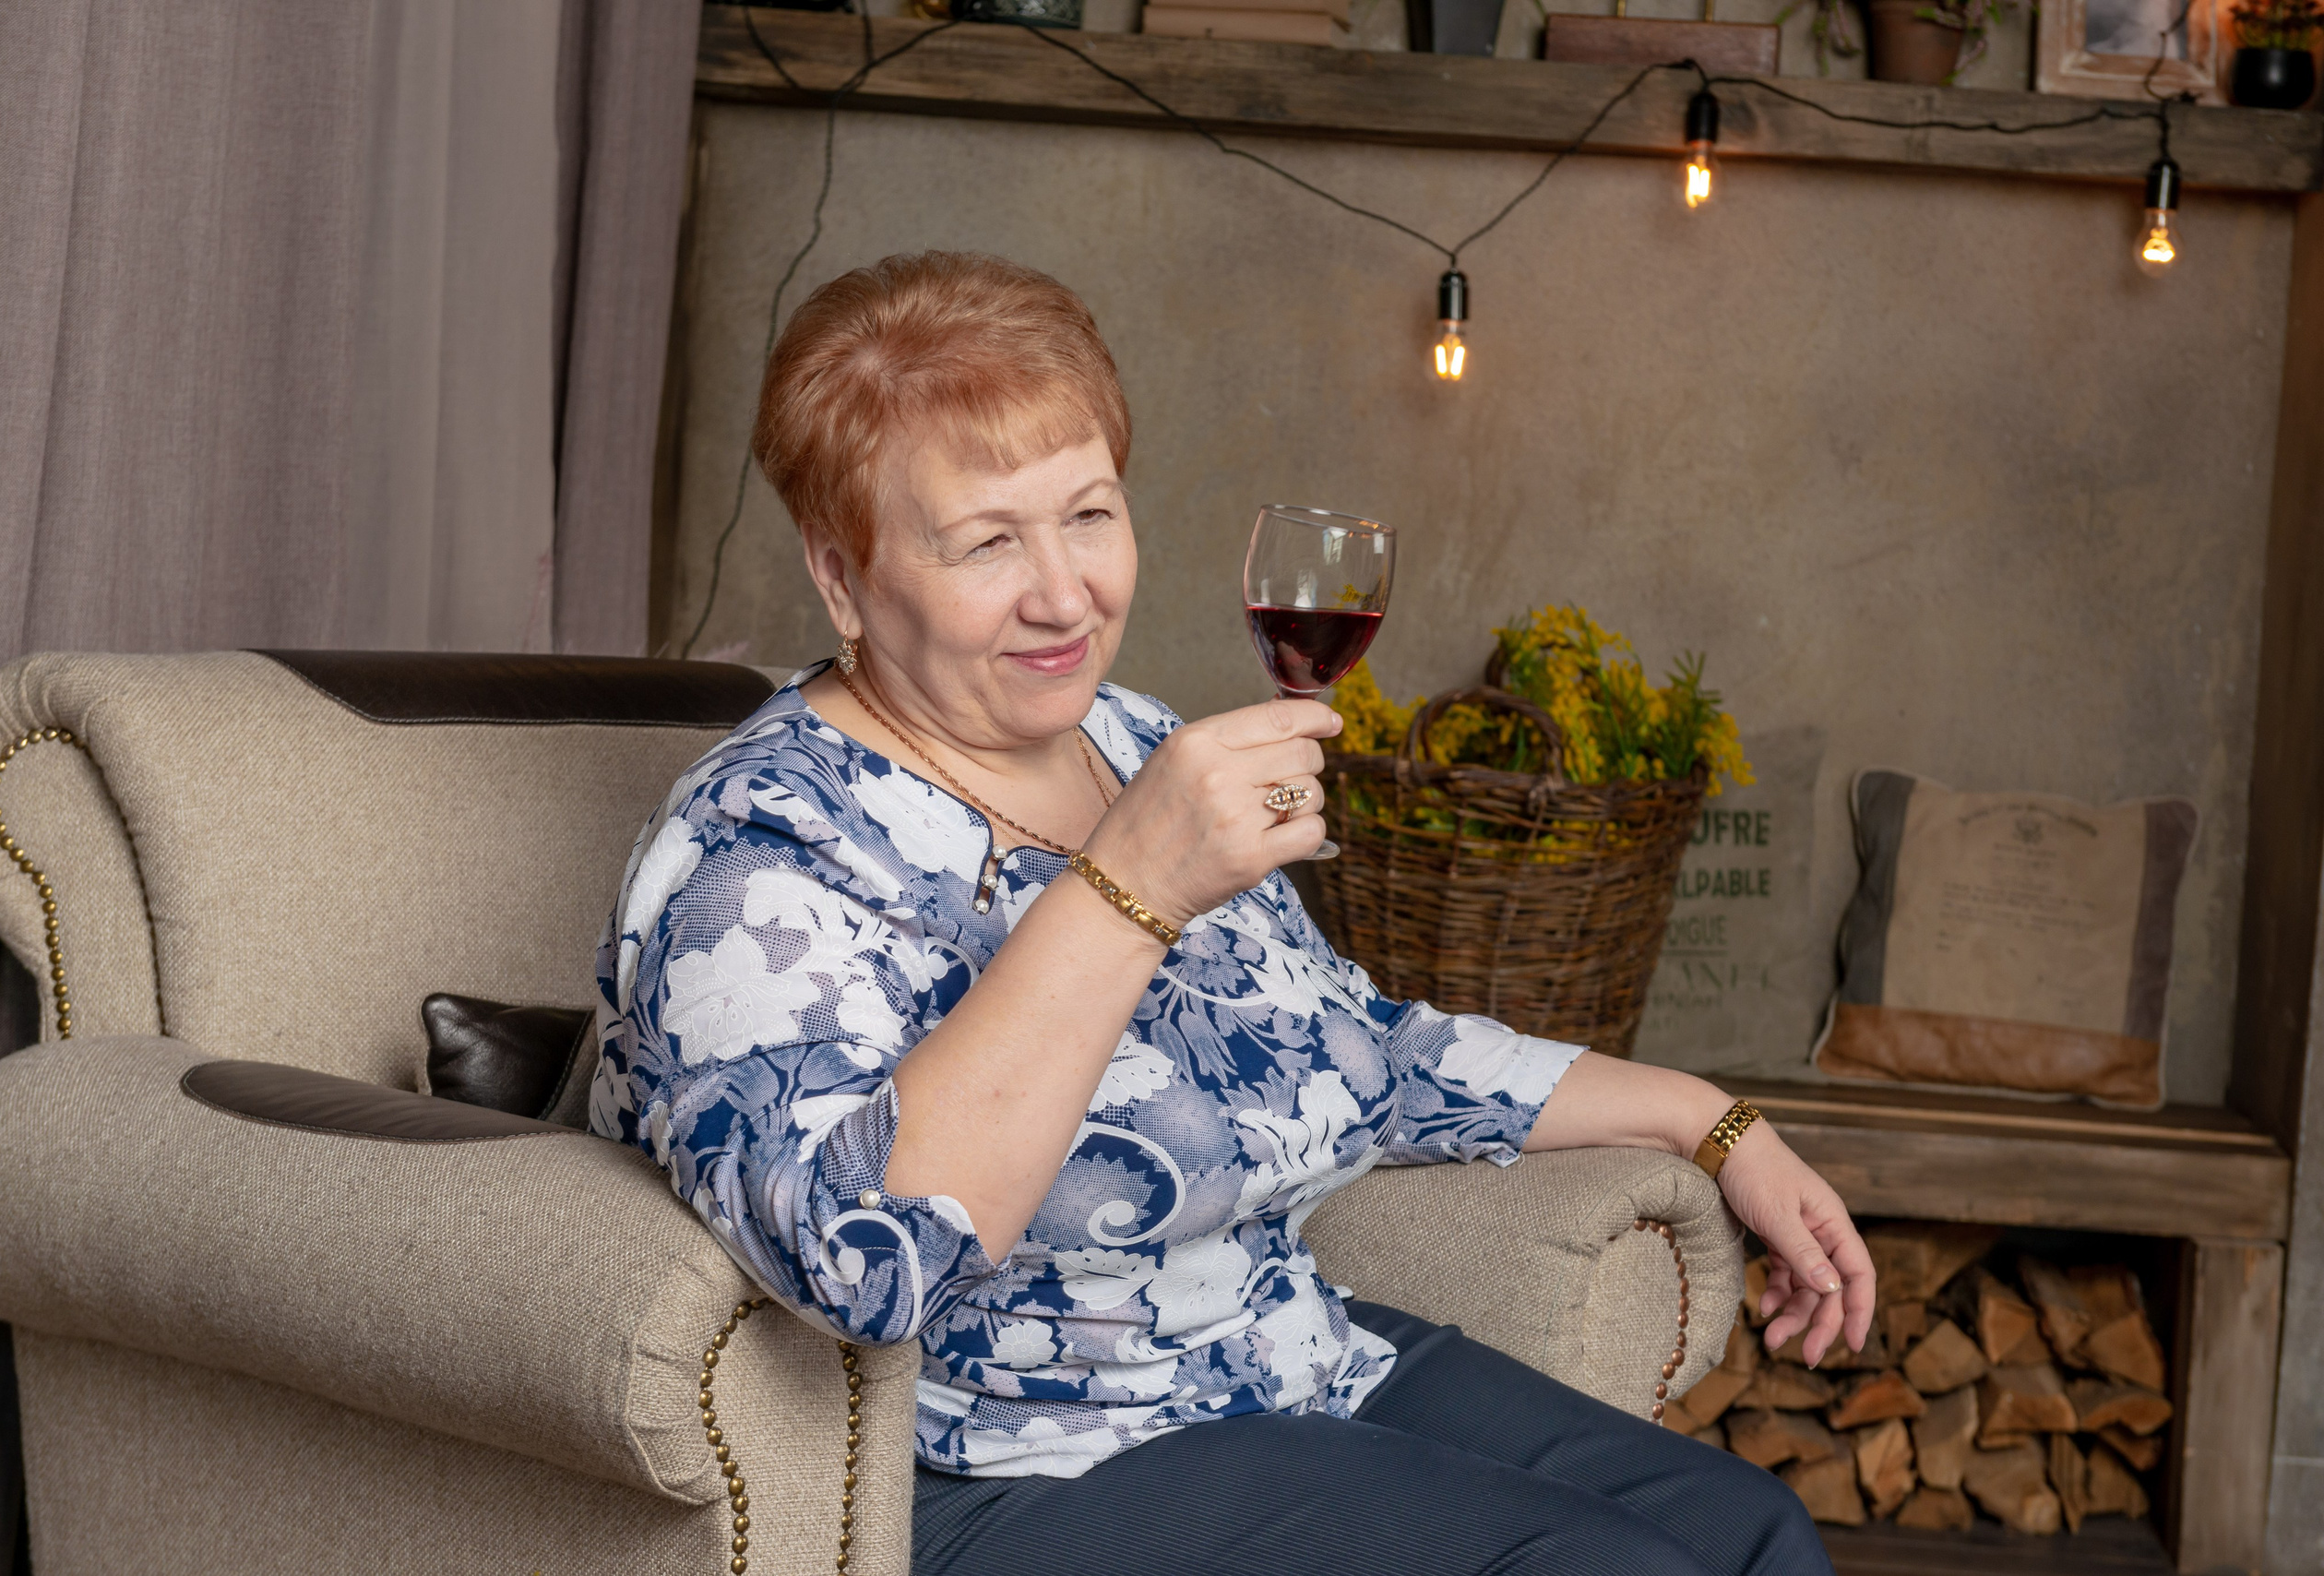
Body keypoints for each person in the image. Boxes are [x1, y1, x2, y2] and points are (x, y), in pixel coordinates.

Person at [592, 251, 1873, 1576]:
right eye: (986, 541)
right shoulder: (764, 848)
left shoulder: (1139, 739)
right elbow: (857, 1264)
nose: (1064, 592)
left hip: (1278, 1371)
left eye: (1089, 515)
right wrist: (1131, 885)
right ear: (844, 577)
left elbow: (1351, 1049)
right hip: (1001, 1468)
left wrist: (1708, 1117)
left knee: (1749, 1535)